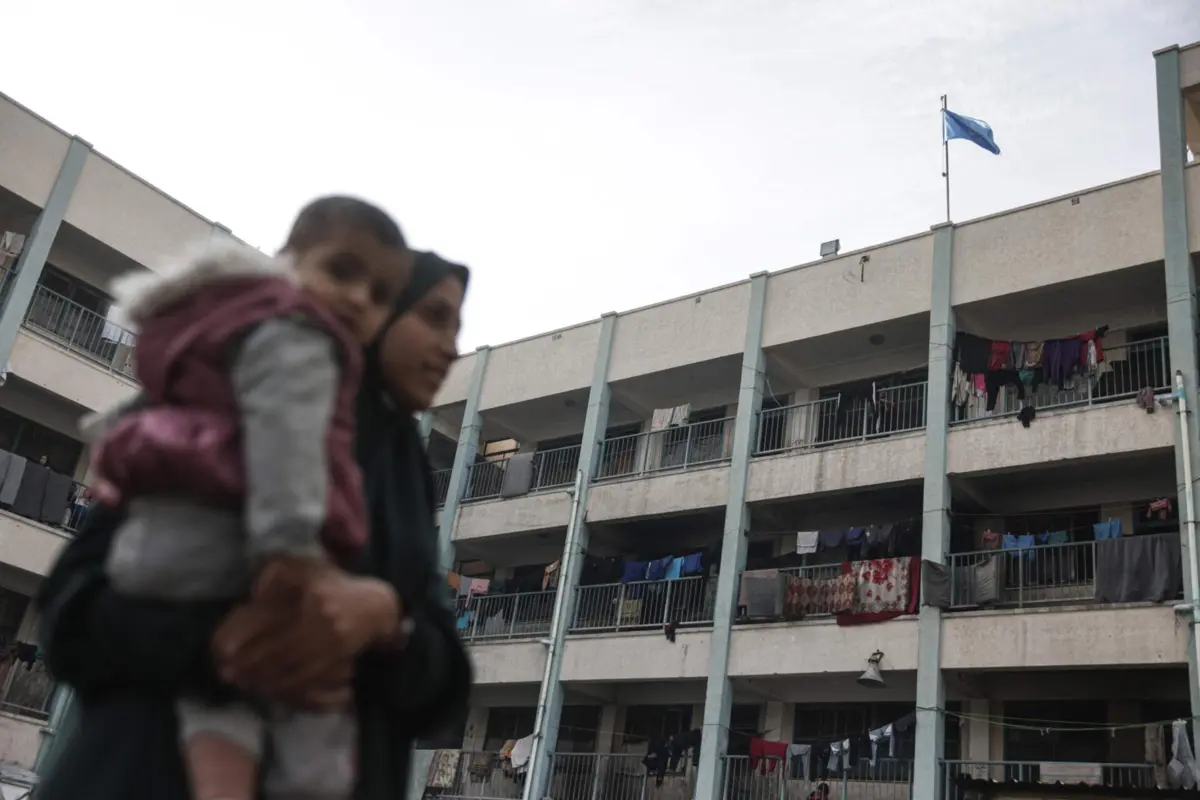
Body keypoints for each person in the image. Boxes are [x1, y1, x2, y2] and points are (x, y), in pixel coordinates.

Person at [35, 245, 471, 800]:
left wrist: (386, 621)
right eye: (434, 317)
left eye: (458, 328)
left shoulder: (404, 459)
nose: (451, 347)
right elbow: (70, 613)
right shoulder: (214, 388)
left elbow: (445, 681)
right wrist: (218, 642)